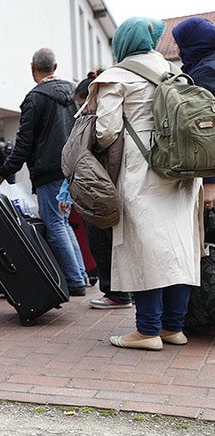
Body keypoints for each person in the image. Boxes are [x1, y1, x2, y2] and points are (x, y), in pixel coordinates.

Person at [87, 18, 202, 350]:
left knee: (144, 250)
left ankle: (147, 331)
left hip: (142, 174)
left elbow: (106, 131)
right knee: (179, 250)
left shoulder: (116, 78)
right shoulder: (174, 72)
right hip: (181, 174)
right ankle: (173, 328)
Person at [0, 47, 89, 297]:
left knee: (55, 224)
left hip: (48, 170)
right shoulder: (74, 91)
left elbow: (24, 143)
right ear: (55, 67)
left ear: (32, 67)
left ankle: (76, 280)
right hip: (73, 168)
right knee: (64, 222)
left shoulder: (34, 98)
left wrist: (4, 171)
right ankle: (80, 275)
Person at [62, 70, 133, 310]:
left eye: (83, 105)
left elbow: (79, 158)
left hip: (102, 189)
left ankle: (116, 293)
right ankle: (121, 291)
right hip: (117, 186)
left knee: (101, 239)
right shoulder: (116, 116)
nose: (82, 111)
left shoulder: (102, 124)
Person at [172, 17, 215, 210]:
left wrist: (210, 182)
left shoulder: (205, 73)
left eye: (180, 45)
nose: (178, 51)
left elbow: (207, 129)